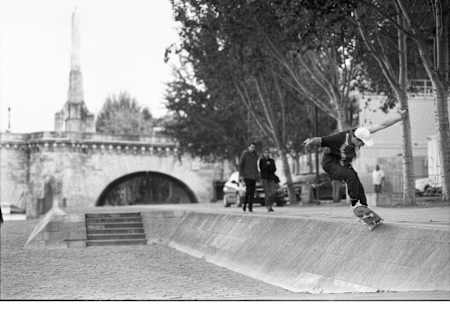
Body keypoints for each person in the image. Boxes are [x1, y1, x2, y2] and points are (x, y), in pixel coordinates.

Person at [303, 110, 406, 220]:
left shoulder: (362, 131)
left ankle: (364, 207)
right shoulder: (338, 138)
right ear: (355, 138)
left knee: (357, 181)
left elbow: (382, 125)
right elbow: (320, 140)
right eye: (361, 143)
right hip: (330, 164)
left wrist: (399, 117)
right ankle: (355, 205)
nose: (362, 145)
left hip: (343, 163)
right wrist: (309, 141)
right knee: (350, 176)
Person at [239, 142, 259, 212]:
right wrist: (241, 176)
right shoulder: (245, 154)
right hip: (246, 176)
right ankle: (244, 205)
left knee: (252, 192)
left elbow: (256, 166)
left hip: (253, 176)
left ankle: (250, 207)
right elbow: (241, 165)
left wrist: (257, 176)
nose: (252, 148)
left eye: (254, 147)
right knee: (248, 191)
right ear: (248, 147)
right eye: (251, 147)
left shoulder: (256, 155)